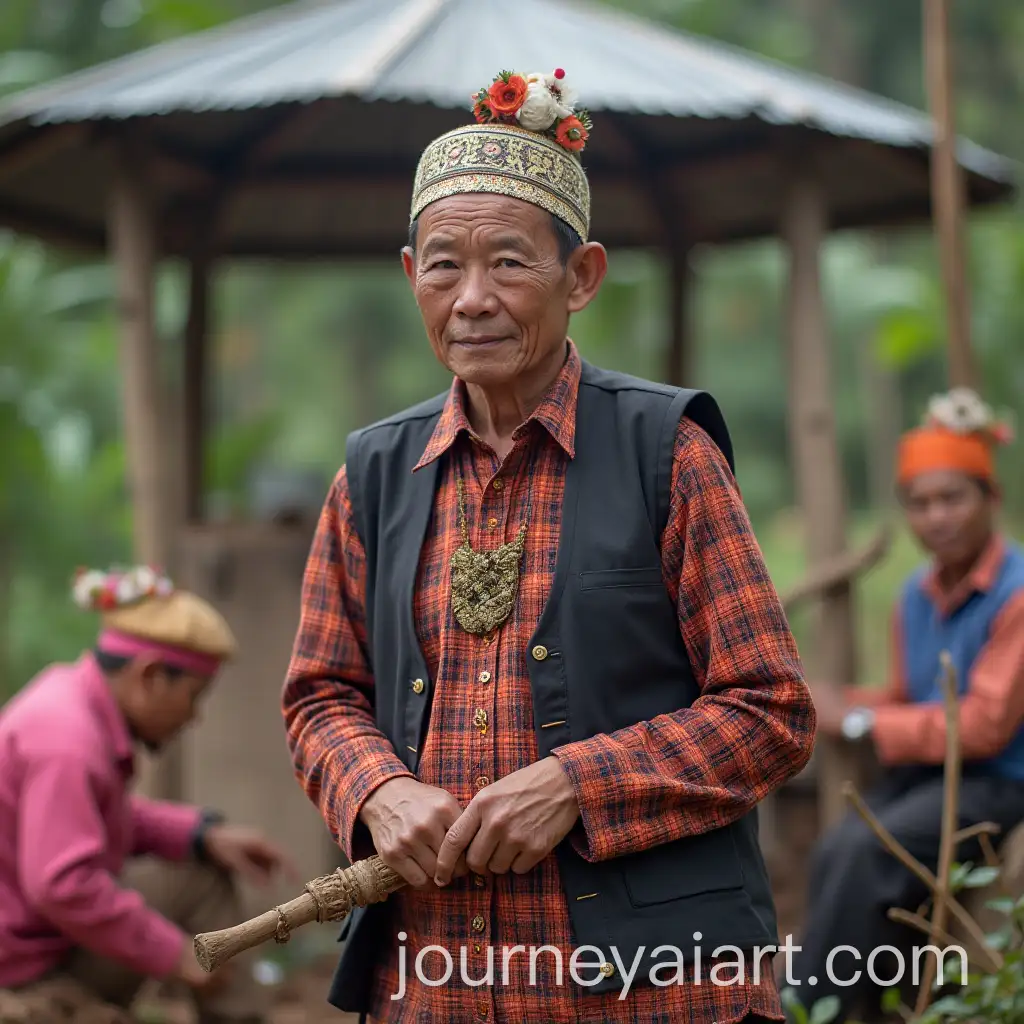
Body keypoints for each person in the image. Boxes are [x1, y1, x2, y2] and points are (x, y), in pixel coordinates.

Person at [282, 67, 815, 1024]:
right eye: (444, 264)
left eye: (510, 264)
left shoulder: (668, 453)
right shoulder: (371, 475)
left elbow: (770, 712)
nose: (473, 298)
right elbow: (321, 696)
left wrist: (580, 781)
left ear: (582, 277)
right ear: (412, 277)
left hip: (653, 988)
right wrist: (380, 793)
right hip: (437, 981)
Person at [789, 388, 1024, 1021]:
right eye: (919, 503)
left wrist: (863, 721)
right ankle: (849, 1005)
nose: (936, 517)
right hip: (930, 772)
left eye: (952, 498)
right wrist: (836, 702)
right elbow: (908, 698)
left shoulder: (1018, 594)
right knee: (838, 847)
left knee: (868, 852)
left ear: (991, 500)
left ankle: (814, 1010)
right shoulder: (916, 597)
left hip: (1000, 780)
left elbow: (981, 727)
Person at [0, 565, 296, 1024]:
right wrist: (176, 954)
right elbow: (62, 886)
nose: (193, 716)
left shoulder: (67, 701)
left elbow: (97, 817)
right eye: (193, 695)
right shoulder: (67, 744)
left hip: (34, 940)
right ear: (151, 675)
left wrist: (201, 835)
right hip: (26, 966)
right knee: (201, 882)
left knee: (200, 864)